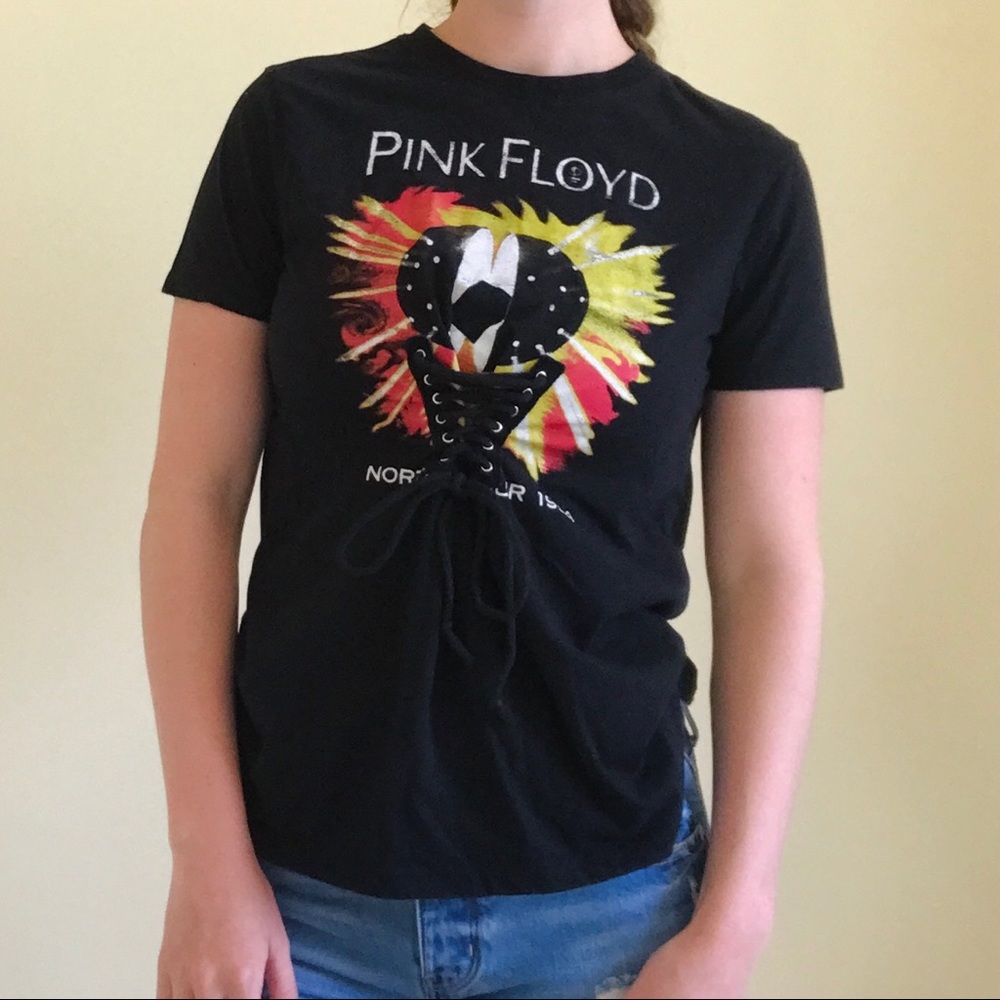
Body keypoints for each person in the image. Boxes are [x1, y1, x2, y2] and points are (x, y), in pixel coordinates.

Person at [140, 0, 843, 997]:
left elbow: (768, 561)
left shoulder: (745, 175)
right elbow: (194, 497)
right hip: (297, 896)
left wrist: (738, 915)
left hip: (611, 899)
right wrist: (204, 856)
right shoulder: (294, 119)